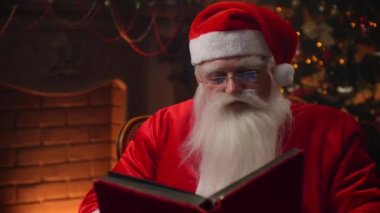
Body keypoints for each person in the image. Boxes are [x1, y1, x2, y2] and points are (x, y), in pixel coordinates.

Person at [79, 2, 380, 212]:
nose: (232, 88)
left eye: (248, 73)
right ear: (199, 79)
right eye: (217, 77)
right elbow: (99, 203)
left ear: (273, 74)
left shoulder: (332, 129)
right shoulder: (163, 125)